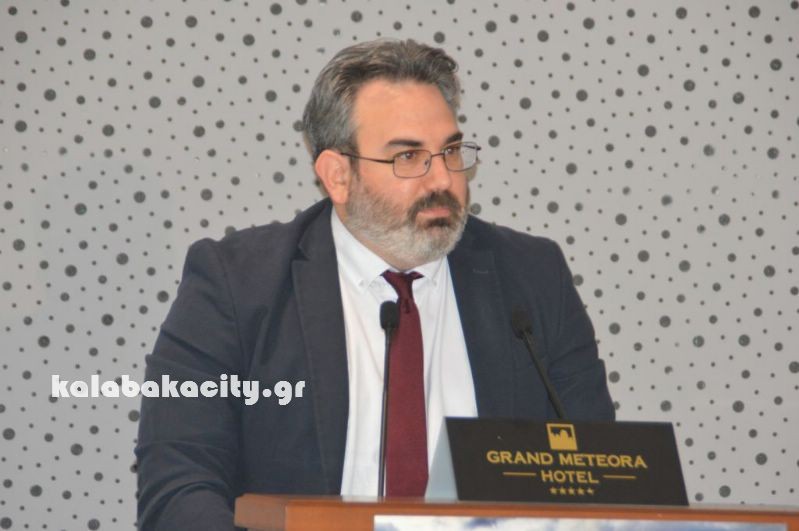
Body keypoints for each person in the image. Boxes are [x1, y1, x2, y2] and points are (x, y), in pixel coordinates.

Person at [135, 38, 614, 530]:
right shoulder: (236, 286)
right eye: (408, 156)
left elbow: (601, 482)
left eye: (450, 151)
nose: (442, 180)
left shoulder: (532, 279)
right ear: (337, 175)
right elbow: (177, 484)